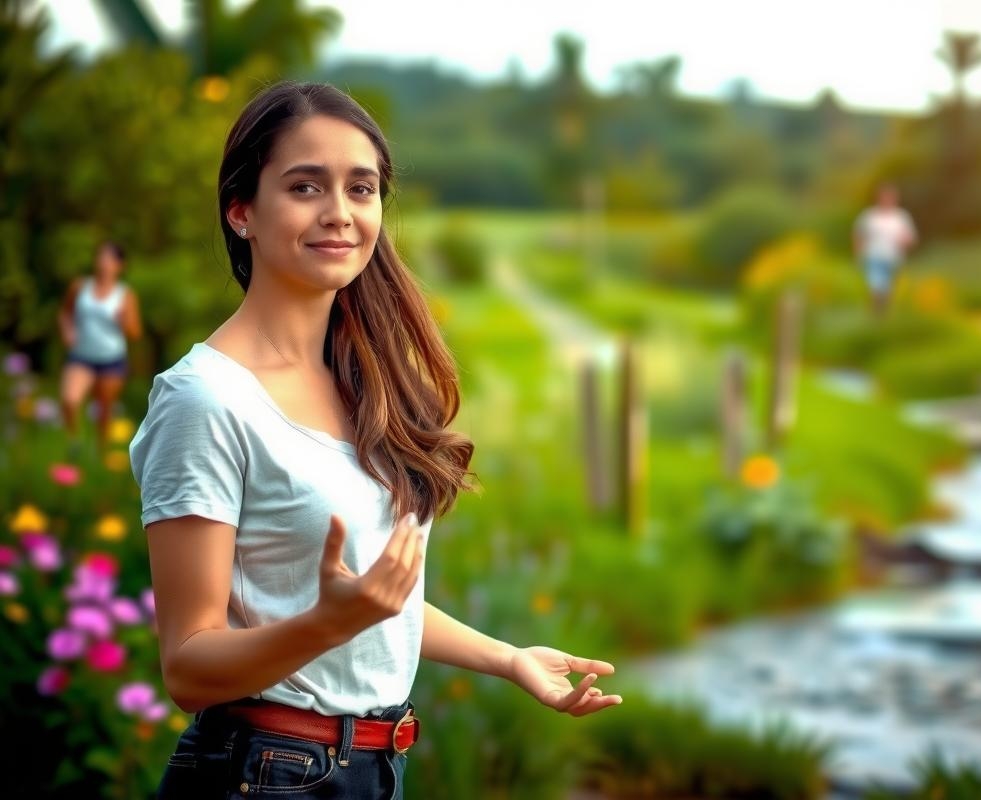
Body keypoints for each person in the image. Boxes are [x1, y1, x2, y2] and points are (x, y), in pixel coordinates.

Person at [128, 82, 620, 800]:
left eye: (361, 188)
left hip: (371, 770)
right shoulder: (206, 400)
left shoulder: (364, 383)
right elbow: (190, 666)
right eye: (305, 186)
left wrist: (508, 658)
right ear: (242, 212)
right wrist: (332, 622)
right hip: (262, 775)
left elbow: (377, 599)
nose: (339, 213)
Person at [59, 241, 142, 453]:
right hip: (81, 356)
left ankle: (101, 451)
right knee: (70, 399)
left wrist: (124, 321)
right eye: (100, 257)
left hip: (111, 359)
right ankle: (74, 443)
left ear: (119, 265)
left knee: (104, 411)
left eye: (109, 259)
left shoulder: (125, 295)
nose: (103, 263)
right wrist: (68, 330)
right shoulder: (80, 286)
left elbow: (135, 333)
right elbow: (65, 313)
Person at [853, 184, 918, 316]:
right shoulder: (870, 216)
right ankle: (875, 315)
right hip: (874, 256)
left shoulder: (901, 217)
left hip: (894, 258)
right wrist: (858, 254)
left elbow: (911, 238)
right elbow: (859, 235)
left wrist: (905, 241)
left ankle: (885, 316)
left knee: (889, 290)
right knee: (875, 287)